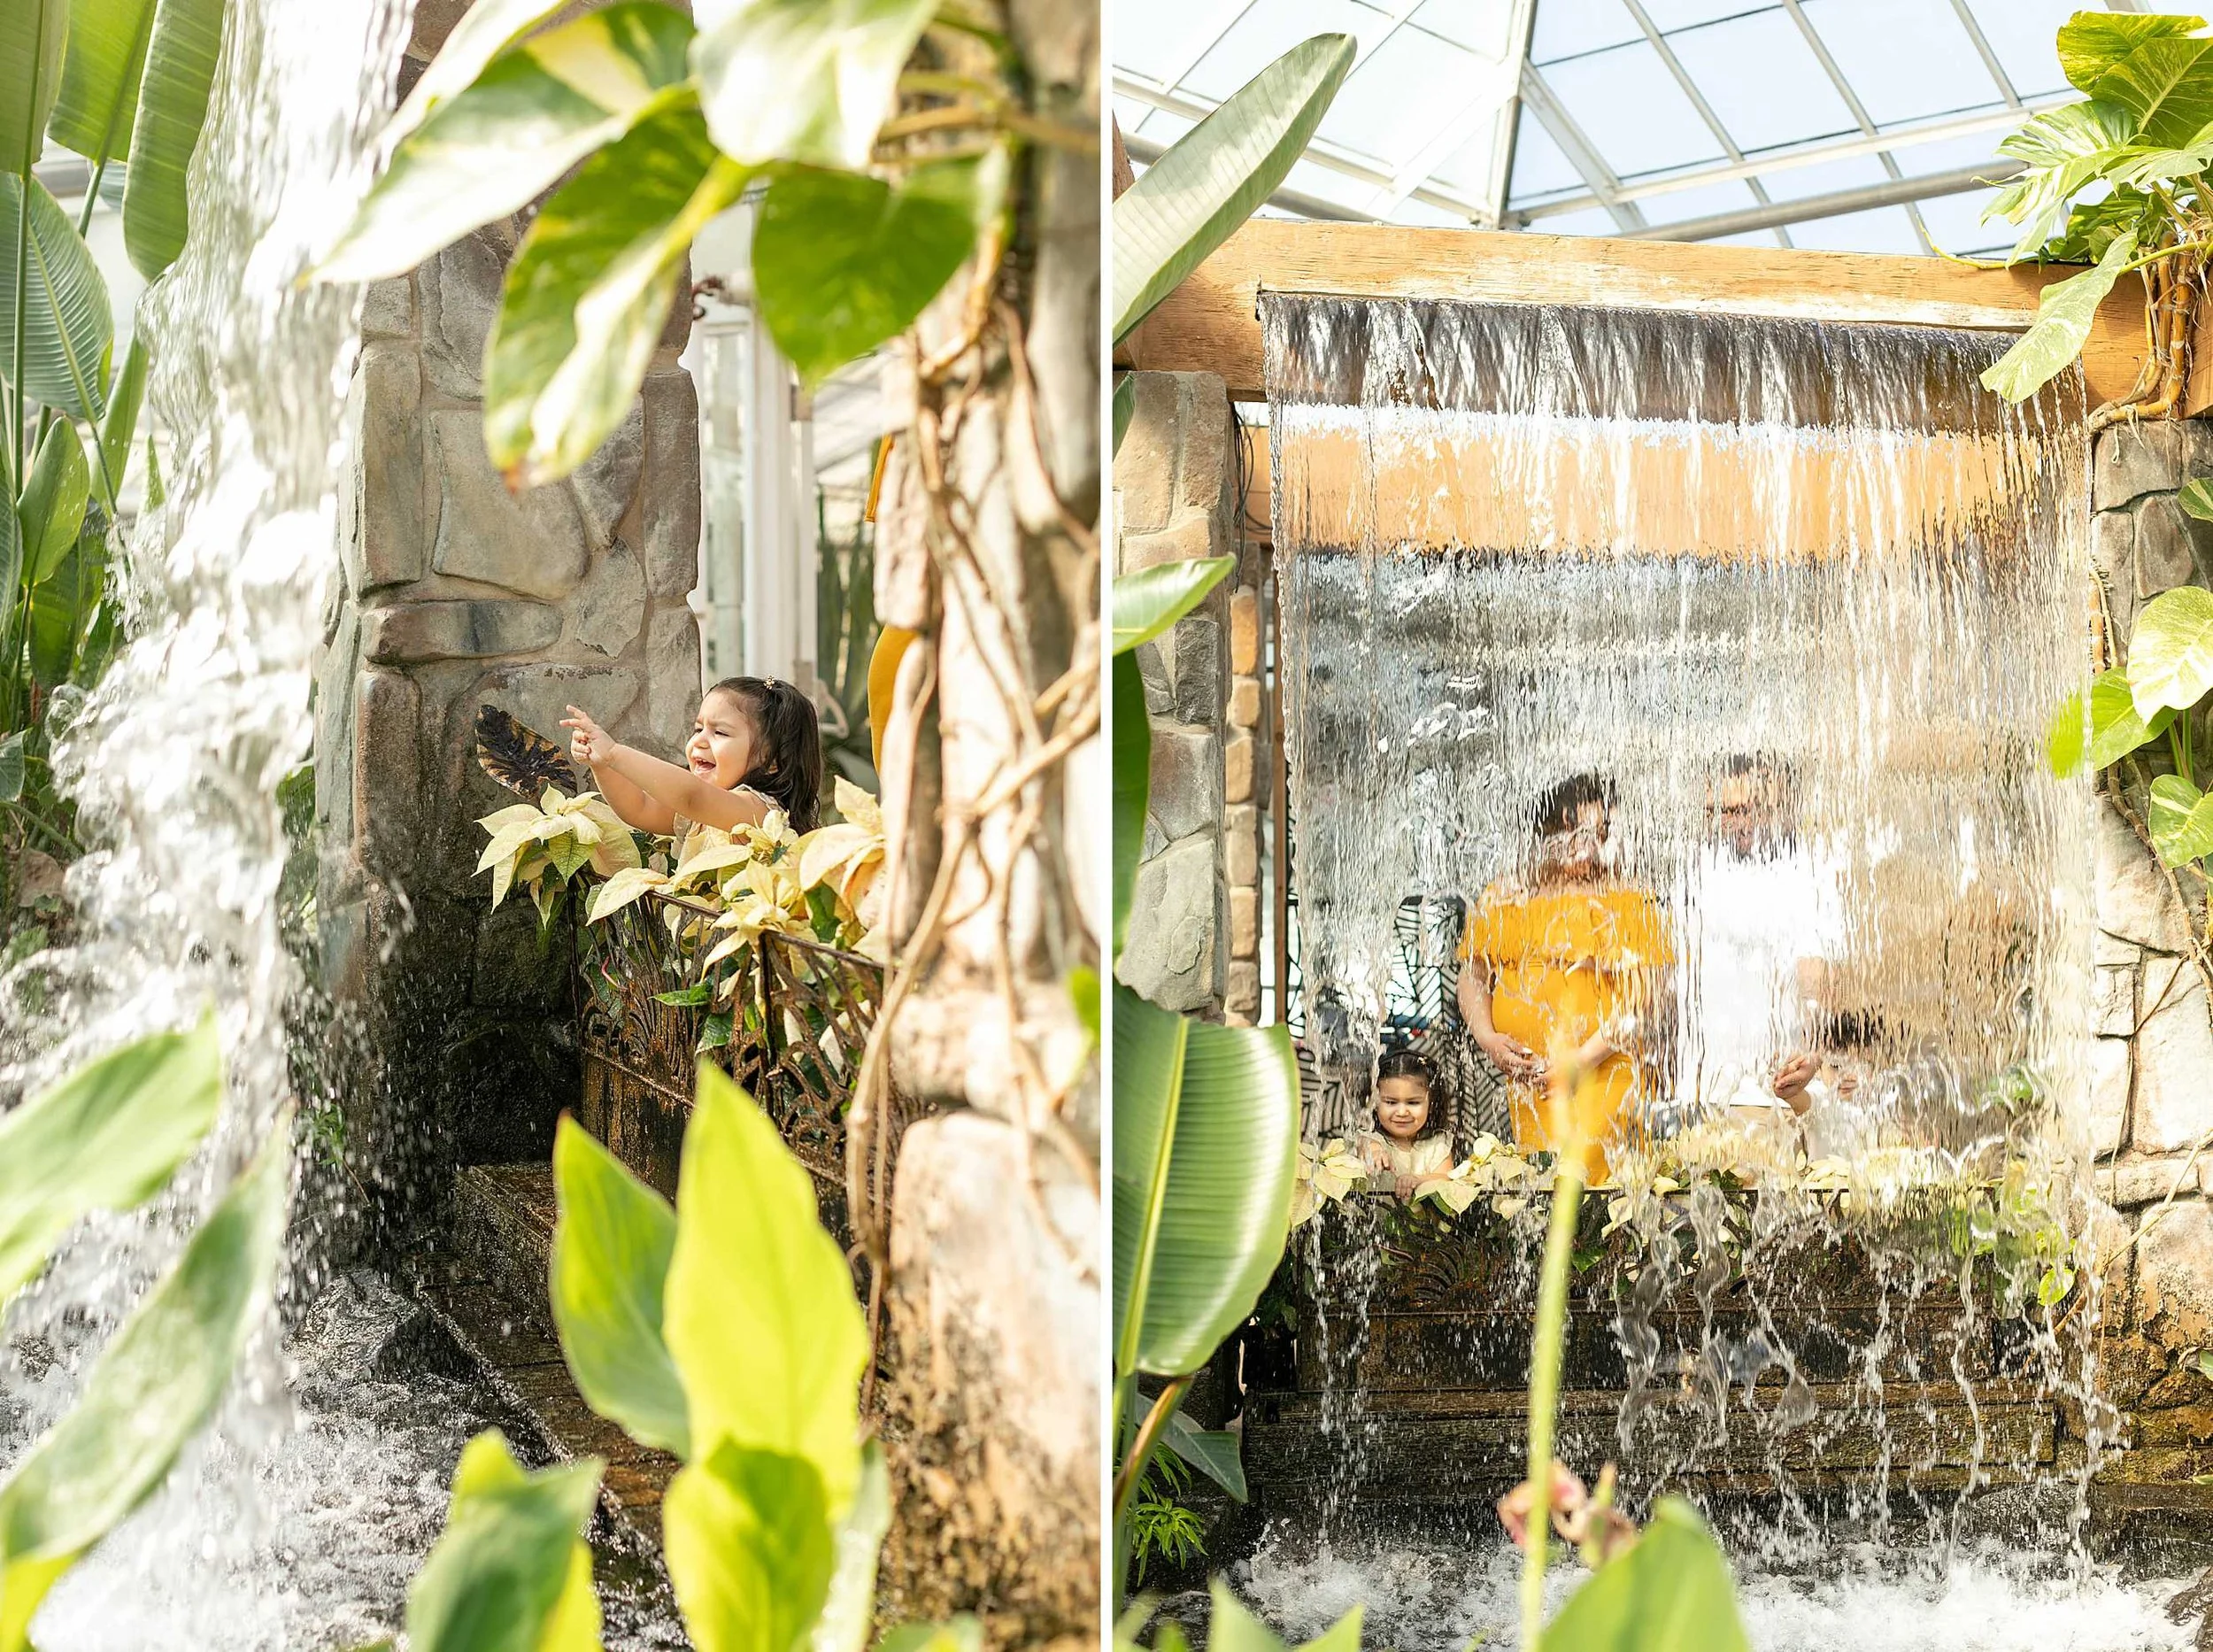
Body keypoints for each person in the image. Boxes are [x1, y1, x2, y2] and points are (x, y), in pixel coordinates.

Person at [1456, 774, 1670, 1184]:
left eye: (1599, 834)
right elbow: (1473, 975)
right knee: (1542, 1193)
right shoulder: (1507, 895)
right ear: (1547, 833)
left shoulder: (1626, 897)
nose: (1589, 848)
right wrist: (1486, 1035)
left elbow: (1646, 1000)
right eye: (1576, 834)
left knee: (1601, 1203)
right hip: (1533, 1083)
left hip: (1606, 1076)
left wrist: (1579, 1063)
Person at [1673, 753, 1845, 1143]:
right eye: (1723, 811)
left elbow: (1814, 976)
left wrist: (1813, 1056)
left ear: (1775, 805)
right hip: (1699, 1097)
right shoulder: (1694, 868)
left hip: (1775, 1096)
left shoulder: (1805, 868)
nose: (1737, 821)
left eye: (1747, 809)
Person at [561, 676, 824, 842]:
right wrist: (602, 765)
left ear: (771, 761)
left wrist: (615, 753)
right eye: (699, 729)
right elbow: (639, 808)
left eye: (719, 732)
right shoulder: (697, 814)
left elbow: (692, 797)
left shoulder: (759, 810)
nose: (699, 740)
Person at [1357, 1047, 1454, 1197]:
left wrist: (1418, 1180)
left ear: (1432, 1104)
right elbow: (1366, 1147)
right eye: (1390, 1102)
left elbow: (1447, 1179)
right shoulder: (1372, 1138)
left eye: (1413, 1103)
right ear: (1374, 1103)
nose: (1402, 1112)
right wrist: (1375, 1153)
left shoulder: (1437, 1144)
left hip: (1424, 1220)